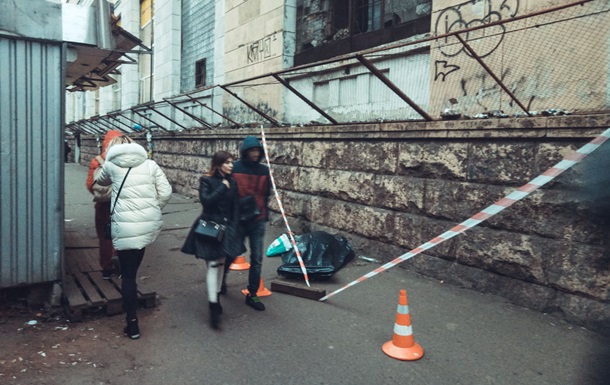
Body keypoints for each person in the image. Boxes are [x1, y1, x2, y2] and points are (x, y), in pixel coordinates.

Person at [95, 135, 172, 340]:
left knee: (128, 277)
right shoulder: (150, 164)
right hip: (145, 224)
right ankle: (132, 320)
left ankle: (132, 324)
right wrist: (153, 208)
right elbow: (166, 192)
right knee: (134, 268)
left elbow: (100, 181)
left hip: (123, 226)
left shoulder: (111, 165)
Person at [181, 151, 243, 329]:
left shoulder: (233, 181)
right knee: (213, 264)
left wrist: (236, 226)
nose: (231, 165)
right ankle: (213, 304)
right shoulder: (207, 180)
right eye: (228, 162)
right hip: (209, 227)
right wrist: (222, 187)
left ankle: (216, 296)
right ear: (218, 164)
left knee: (222, 263)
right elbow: (206, 202)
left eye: (232, 162)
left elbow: (235, 206)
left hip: (227, 227)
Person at [224, 136, 271, 311]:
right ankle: (221, 281)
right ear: (245, 151)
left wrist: (265, 212)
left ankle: (253, 294)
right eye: (251, 150)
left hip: (257, 220)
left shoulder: (264, 171)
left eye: (257, 151)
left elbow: (267, 193)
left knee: (257, 258)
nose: (254, 154)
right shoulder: (234, 168)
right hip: (238, 220)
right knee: (230, 253)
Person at [86, 130, 123, 279]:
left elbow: (90, 185)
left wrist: (103, 193)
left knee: (104, 236)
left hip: (103, 206)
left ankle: (107, 268)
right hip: (122, 205)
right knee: (122, 235)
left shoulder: (98, 161)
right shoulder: (128, 160)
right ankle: (120, 264)